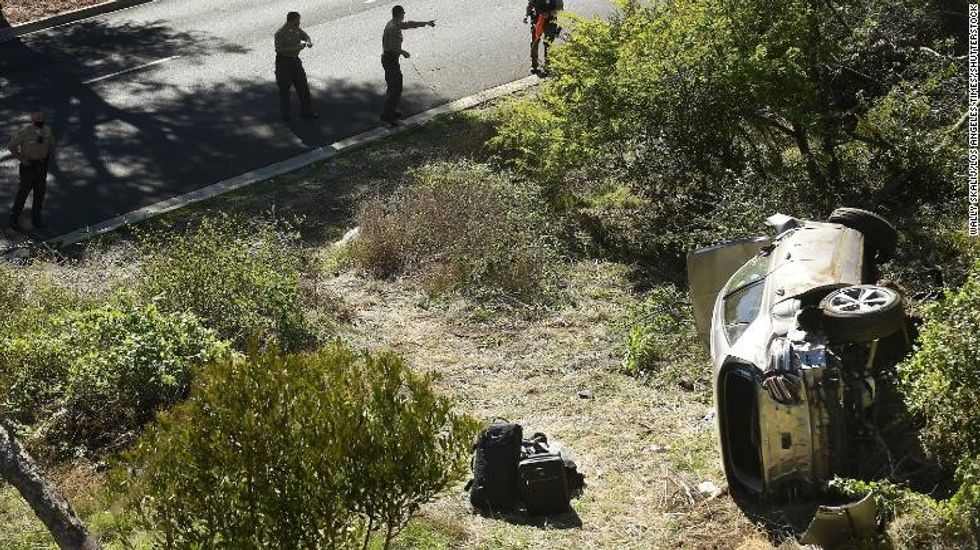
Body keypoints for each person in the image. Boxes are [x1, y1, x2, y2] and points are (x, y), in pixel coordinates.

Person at [381, 5, 435, 127]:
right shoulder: (393, 28)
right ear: (399, 14)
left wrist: (425, 23)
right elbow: (391, 47)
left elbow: (409, 24)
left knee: (393, 86)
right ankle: (387, 116)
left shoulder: (395, 24)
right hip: (390, 60)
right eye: (403, 13)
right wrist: (403, 52)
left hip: (391, 60)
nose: (404, 14)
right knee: (396, 88)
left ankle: (390, 110)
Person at [7, 110, 55, 231]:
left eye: (42, 118)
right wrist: (21, 159)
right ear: (32, 118)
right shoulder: (26, 131)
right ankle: (14, 218)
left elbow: (51, 145)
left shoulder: (47, 131)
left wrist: (45, 157)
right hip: (28, 166)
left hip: (42, 166)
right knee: (23, 193)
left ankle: (36, 219)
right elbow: (11, 146)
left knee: (40, 194)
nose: (40, 120)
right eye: (37, 118)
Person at [275, 11, 318, 121]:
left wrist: (308, 41)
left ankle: (306, 111)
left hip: (295, 62)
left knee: (303, 87)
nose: (299, 24)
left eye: (299, 22)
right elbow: (280, 50)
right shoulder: (280, 33)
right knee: (285, 90)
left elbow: (305, 35)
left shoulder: (296, 29)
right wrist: (296, 48)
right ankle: (285, 114)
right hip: (284, 64)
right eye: (296, 22)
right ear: (290, 21)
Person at [525, 0, 561, 75]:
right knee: (534, 43)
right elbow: (530, 4)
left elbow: (560, 8)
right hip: (537, 20)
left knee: (548, 44)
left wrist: (549, 13)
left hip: (550, 22)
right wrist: (527, 15)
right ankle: (534, 65)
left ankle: (548, 66)